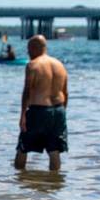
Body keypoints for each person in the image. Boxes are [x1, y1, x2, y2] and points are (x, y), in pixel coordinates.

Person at [14, 35, 68, 171]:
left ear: (34, 48)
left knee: (23, 147)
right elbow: (66, 92)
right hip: (59, 110)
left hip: (39, 110)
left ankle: (18, 180)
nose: (28, 53)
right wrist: (62, 113)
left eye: (28, 49)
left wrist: (22, 116)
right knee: (54, 150)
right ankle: (54, 182)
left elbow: (27, 91)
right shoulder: (60, 65)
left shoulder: (33, 65)